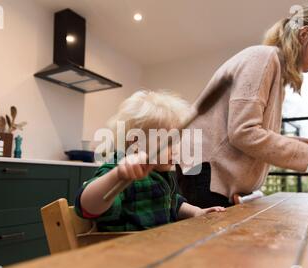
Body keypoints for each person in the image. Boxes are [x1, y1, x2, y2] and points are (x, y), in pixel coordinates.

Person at [177, 3, 308, 208]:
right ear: (304, 34)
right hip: (205, 172)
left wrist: (301, 146)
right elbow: (244, 133)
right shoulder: (265, 57)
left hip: (207, 174)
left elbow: (249, 131)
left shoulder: (274, 68)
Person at [74, 90, 225, 232]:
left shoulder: (161, 175)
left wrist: (196, 212)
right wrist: (117, 176)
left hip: (157, 248)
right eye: (169, 142)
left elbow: (173, 203)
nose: (176, 149)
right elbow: (87, 207)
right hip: (124, 254)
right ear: (135, 142)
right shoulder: (121, 171)